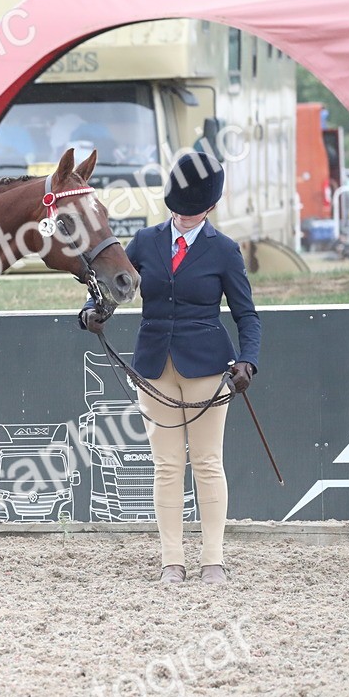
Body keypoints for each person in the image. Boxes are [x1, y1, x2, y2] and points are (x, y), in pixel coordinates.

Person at [79, 151, 261, 585]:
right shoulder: (145, 241)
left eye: (191, 210)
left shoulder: (224, 251)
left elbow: (246, 315)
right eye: (175, 207)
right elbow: (109, 286)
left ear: (211, 208)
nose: (181, 216)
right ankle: (172, 561)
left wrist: (248, 361)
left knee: (206, 461)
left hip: (206, 368)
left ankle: (213, 559)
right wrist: (92, 310)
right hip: (154, 366)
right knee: (165, 465)